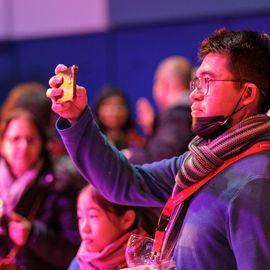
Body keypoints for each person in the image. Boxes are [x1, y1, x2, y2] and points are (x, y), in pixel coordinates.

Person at [47, 28, 270, 269]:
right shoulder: (200, 164)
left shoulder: (256, 184)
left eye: (208, 81)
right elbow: (124, 182)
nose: (194, 94)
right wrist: (76, 117)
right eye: (196, 81)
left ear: (247, 94)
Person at [0, 108, 80, 269]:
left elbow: (75, 252)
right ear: (2, 143)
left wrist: (33, 235)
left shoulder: (59, 185)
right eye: (15, 139)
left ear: (42, 144)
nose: (23, 146)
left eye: (30, 139)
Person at [123, 56, 194, 164]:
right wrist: (152, 127)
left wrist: (128, 157)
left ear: (165, 84)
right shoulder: (187, 112)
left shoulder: (178, 115)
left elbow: (161, 159)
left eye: (156, 81)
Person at [68, 184, 158, 269]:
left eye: (93, 216)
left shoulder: (150, 261)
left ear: (126, 219)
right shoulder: (80, 262)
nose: (84, 228)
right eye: (80, 217)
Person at [93, 85, 145, 150]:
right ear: (98, 109)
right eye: (107, 105)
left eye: (119, 105)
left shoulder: (136, 140)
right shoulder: (93, 141)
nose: (114, 111)